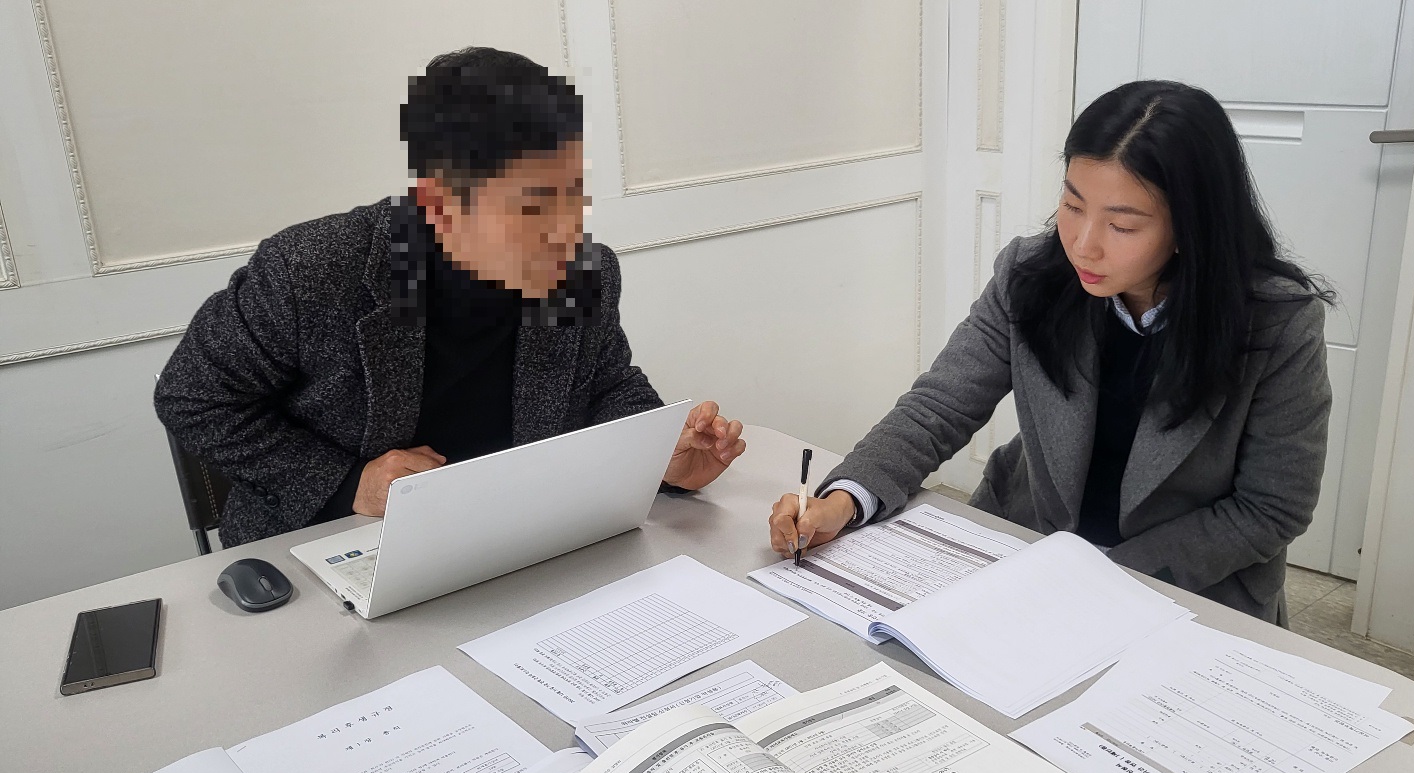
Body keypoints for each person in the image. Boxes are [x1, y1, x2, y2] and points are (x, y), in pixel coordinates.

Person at [768, 80, 1333, 625]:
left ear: (1191, 226)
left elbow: (1270, 508)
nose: (1083, 244)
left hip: (1182, 585)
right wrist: (843, 500)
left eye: (1122, 225)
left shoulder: (1275, 321)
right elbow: (938, 408)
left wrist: (1100, 578)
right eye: (1072, 205)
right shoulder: (1030, 277)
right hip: (1024, 545)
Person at [156, 47, 745, 547]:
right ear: (437, 205)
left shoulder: (584, 272)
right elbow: (192, 398)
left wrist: (661, 457)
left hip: (513, 536)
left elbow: (605, 386)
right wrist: (349, 484)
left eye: (574, 194)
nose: (568, 231)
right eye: (534, 207)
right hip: (337, 545)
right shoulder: (313, 271)